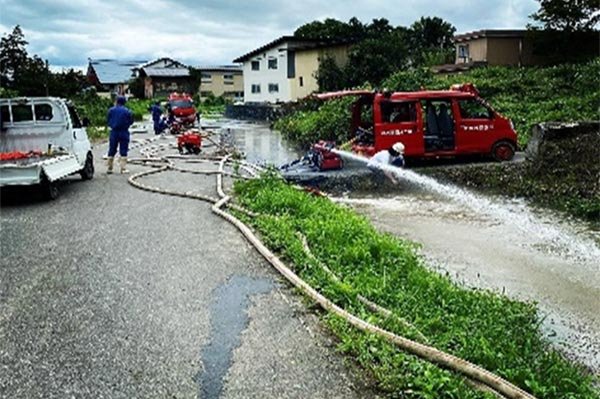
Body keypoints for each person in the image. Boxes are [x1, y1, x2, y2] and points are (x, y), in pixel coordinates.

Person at [106, 96, 134, 174]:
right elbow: (131, 121)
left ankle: (109, 168)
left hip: (114, 132)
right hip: (124, 132)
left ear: (116, 101)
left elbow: (108, 120)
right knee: (123, 149)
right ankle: (123, 168)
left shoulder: (111, 110)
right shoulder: (127, 111)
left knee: (112, 149)